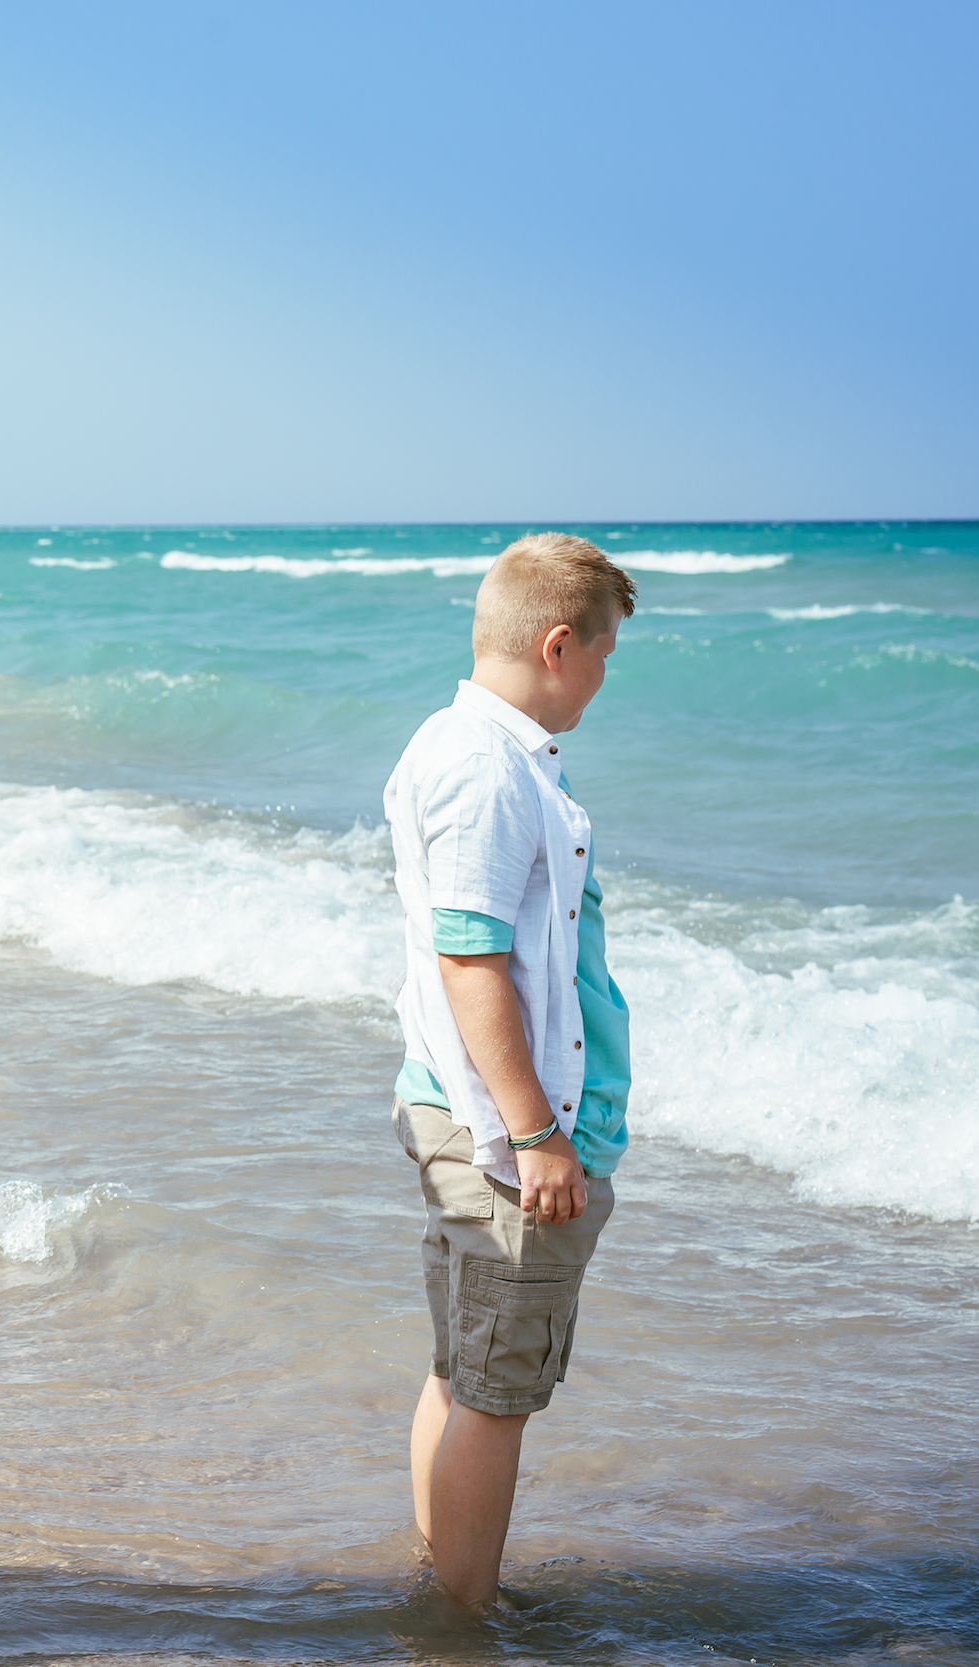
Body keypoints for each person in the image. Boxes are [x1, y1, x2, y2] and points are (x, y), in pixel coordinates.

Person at [383, 531, 636, 1610]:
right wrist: (536, 1134)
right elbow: (470, 953)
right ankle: (464, 1624)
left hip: (461, 1109)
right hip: (500, 1134)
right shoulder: (487, 767)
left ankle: (447, 1582)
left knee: (460, 1371)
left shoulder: (464, 744)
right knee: (493, 1392)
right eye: (605, 654)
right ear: (556, 642)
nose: (602, 677)